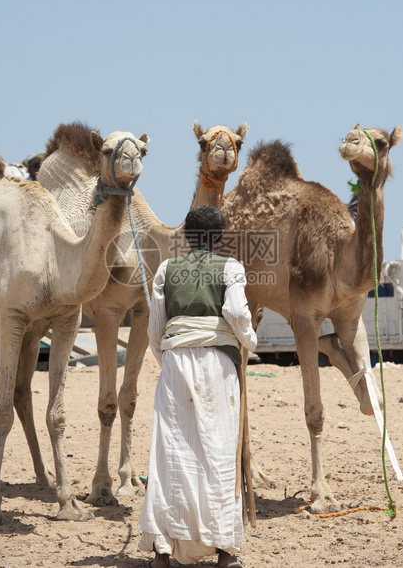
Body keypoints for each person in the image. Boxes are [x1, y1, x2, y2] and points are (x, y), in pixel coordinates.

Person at [138, 205, 257, 568]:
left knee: (170, 454)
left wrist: (172, 358)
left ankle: (162, 553)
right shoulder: (231, 268)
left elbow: (155, 332)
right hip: (218, 365)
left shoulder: (165, 269)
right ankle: (224, 552)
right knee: (219, 453)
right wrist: (247, 344)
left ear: (187, 235)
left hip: (175, 363)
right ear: (219, 236)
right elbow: (237, 314)